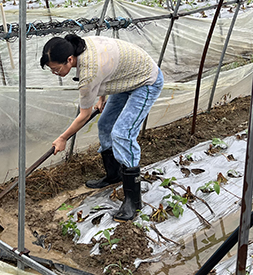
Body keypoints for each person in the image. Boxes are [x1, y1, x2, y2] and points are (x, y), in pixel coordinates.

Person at [41, 34, 164, 222]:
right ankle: (114, 175)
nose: (54, 73)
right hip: (126, 78)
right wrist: (102, 97)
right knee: (105, 124)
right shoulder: (80, 48)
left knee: (122, 134)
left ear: (69, 60)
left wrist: (63, 138)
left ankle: (133, 201)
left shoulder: (88, 73)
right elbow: (108, 68)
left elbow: (84, 115)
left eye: (56, 69)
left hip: (146, 81)